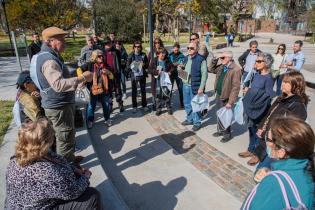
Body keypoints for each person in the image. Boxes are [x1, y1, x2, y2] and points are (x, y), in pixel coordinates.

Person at [5, 119, 101, 210]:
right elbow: (73, 192)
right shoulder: (46, 172)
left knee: (75, 168)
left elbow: (58, 160)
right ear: (45, 143)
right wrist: (85, 177)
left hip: (19, 204)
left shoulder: (15, 159)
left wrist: (75, 169)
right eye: (51, 136)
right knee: (92, 196)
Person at [30, 26, 93, 164]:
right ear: (49, 41)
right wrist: (82, 78)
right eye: (61, 39)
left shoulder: (44, 56)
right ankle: (68, 168)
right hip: (59, 107)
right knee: (65, 137)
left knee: (60, 136)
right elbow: (58, 85)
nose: (65, 42)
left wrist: (74, 82)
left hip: (55, 104)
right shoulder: (49, 60)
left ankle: (68, 159)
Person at [241, 117, 314, 210]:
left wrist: (273, 179)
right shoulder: (309, 168)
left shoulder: (273, 184)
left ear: (281, 152)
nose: (266, 141)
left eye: (268, 138)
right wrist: (272, 173)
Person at [249, 71, 308, 171]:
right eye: (283, 81)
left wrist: (268, 135)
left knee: (262, 172)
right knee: (260, 170)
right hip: (267, 141)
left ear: (296, 85)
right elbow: (269, 115)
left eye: (286, 83)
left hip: (277, 146)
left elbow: (289, 131)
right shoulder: (281, 99)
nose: (282, 84)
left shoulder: (297, 106)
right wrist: (261, 127)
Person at [240, 53, 274, 165]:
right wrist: (248, 90)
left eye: (259, 61)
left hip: (260, 111)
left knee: (259, 134)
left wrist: (250, 92)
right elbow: (254, 90)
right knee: (251, 130)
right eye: (256, 61)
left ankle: (257, 155)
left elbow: (269, 96)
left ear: (266, 63)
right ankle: (250, 150)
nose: (256, 63)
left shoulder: (268, 78)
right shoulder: (257, 75)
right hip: (252, 109)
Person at [209, 51, 241, 141]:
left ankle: (227, 134)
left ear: (229, 58)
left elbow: (236, 88)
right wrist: (214, 59)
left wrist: (231, 102)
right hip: (219, 94)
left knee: (226, 117)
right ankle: (220, 130)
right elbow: (211, 69)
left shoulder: (236, 69)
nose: (221, 59)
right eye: (220, 58)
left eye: (222, 58)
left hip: (227, 97)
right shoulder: (222, 66)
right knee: (219, 114)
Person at [78, 50, 113, 128]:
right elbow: (79, 69)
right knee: (91, 105)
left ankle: (107, 119)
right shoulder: (89, 65)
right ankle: (90, 120)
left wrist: (108, 73)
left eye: (102, 56)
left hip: (104, 89)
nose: (101, 57)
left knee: (106, 105)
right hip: (93, 90)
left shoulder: (106, 65)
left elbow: (112, 77)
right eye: (99, 56)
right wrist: (82, 79)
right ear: (94, 57)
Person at [181, 42, 208, 131]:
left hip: (195, 86)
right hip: (185, 85)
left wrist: (201, 87)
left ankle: (197, 122)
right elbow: (182, 69)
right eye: (188, 48)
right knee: (187, 104)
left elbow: (204, 74)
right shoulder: (186, 58)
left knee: (195, 105)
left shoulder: (201, 59)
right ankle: (190, 119)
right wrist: (180, 68)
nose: (189, 49)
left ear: (196, 49)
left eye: (191, 48)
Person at [148, 47, 174, 116]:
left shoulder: (167, 60)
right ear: (158, 54)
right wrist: (156, 72)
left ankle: (169, 108)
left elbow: (172, 67)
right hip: (157, 81)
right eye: (162, 54)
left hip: (165, 81)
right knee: (158, 96)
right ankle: (158, 109)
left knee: (166, 94)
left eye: (164, 53)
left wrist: (170, 72)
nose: (163, 55)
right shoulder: (154, 61)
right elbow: (149, 70)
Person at [127, 41, 149, 113]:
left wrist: (144, 64)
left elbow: (147, 64)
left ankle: (144, 105)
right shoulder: (131, 55)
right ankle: (134, 106)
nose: (137, 48)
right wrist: (135, 66)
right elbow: (128, 67)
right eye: (135, 46)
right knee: (134, 91)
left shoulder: (143, 55)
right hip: (134, 76)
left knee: (143, 91)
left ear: (140, 47)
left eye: (138, 46)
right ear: (133, 47)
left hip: (142, 75)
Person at [103, 39, 125, 112]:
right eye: (106, 44)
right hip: (107, 74)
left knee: (118, 89)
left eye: (108, 44)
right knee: (108, 91)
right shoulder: (103, 53)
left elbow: (119, 62)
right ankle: (110, 105)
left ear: (111, 44)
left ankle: (120, 103)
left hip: (116, 74)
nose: (107, 45)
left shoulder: (116, 52)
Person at [168, 42, 185, 108]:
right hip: (171, 73)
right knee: (170, 88)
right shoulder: (170, 55)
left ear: (179, 49)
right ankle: (168, 103)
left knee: (180, 89)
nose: (176, 51)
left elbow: (183, 64)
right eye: (175, 50)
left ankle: (182, 103)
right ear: (173, 49)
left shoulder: (182, 56)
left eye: (177, 50)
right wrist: (173, 64)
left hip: (179, 73)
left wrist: (181, 65)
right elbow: (168, 64)